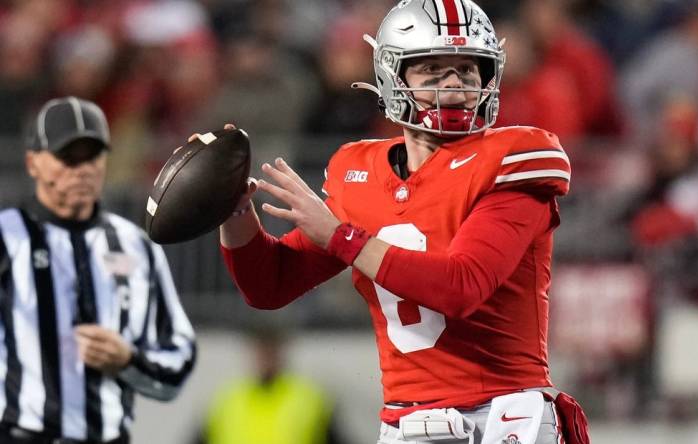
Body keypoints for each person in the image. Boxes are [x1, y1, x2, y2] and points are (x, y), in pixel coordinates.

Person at [215, 1, 589, 443]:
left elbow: (462, 286)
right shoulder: (360, 172)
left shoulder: (513, 156)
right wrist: (233, 209)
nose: (454, 84)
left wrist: (340, 237)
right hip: (407, 423)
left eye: (468, 70)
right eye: (432, 69)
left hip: (506, 417)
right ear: (394, 77)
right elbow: (270, 285)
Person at [0, 97, 197, 444]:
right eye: (68, 157)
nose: (83, 169)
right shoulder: (7, 236)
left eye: (92, 156)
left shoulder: (136, 245)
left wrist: (128, 359)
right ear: (33, 163)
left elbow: (178, 357)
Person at [196, 327, 339, 444]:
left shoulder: (309, 398)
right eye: (261, 352)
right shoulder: (227, 399)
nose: (266, 359)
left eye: (270, 352)